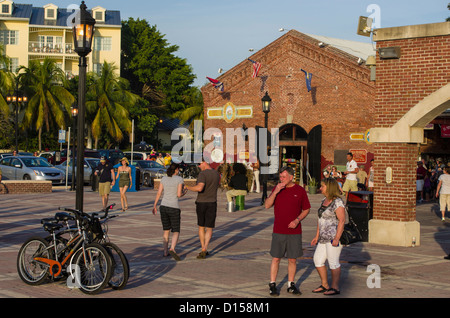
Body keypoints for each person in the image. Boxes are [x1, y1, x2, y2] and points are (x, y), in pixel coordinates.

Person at [264, 166, 311, 296]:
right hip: (279, 230)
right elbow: (267, 205)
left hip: (294, 232)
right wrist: (275, 192)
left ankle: (291, 284)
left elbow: (306, 209)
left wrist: (297, 220)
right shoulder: (277, 189)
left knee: (292, 259)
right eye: (280, 177)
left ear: (291, 177)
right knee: (276, 258)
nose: (281, 179)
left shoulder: (300, 191)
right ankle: (272, 284)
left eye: (284, 177)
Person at [311, 177, 345, 296]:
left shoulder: (337, 202)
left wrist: (336, 238)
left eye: (323, 186)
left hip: (333, 238)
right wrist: (316, 236)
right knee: (318, 260)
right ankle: (325, 284)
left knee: (333, 263)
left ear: (329, 187)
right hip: (323, 238)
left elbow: (341, 221)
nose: (320, 188)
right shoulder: (324, 200)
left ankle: (335, 287)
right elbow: (320, 219)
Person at [185, 160, 220, 259]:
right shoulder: (216, 174)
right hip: (212, 202)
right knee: (209, 227)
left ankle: (203, 248)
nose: (199, 167)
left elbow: (200, 188)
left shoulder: (202, 174)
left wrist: (187, 187)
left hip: (201, 203)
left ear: (204, 162)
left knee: (201, 227)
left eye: (199, 164)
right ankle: (205, 247)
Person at [152, 163, 187, 260]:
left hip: (163, 206)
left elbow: (159, 193)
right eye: (178, 169)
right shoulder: (179, 179)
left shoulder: (164, 179)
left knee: (166, 230)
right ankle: (172, 248)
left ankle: (165, 252)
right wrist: (185, 192)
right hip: (174, 207)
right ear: (176, 170)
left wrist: (155, 205)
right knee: (176, 230)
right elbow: (179, 195)